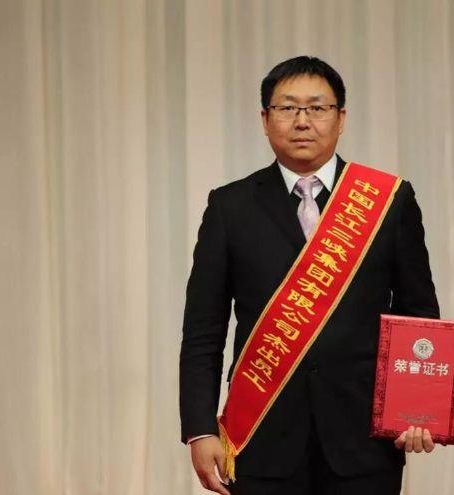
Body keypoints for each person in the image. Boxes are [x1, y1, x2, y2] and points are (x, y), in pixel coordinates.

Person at [180, 56, 440, 495]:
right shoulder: (230, 206)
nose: (302, 121)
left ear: (341, 118)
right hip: (262, 434)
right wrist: (200, 429)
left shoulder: (388, 201)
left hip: (364, 439)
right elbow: (203, 331)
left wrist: (416, 408)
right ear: (265, 119)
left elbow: (419, 315)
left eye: (317, 108)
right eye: (287, 108)